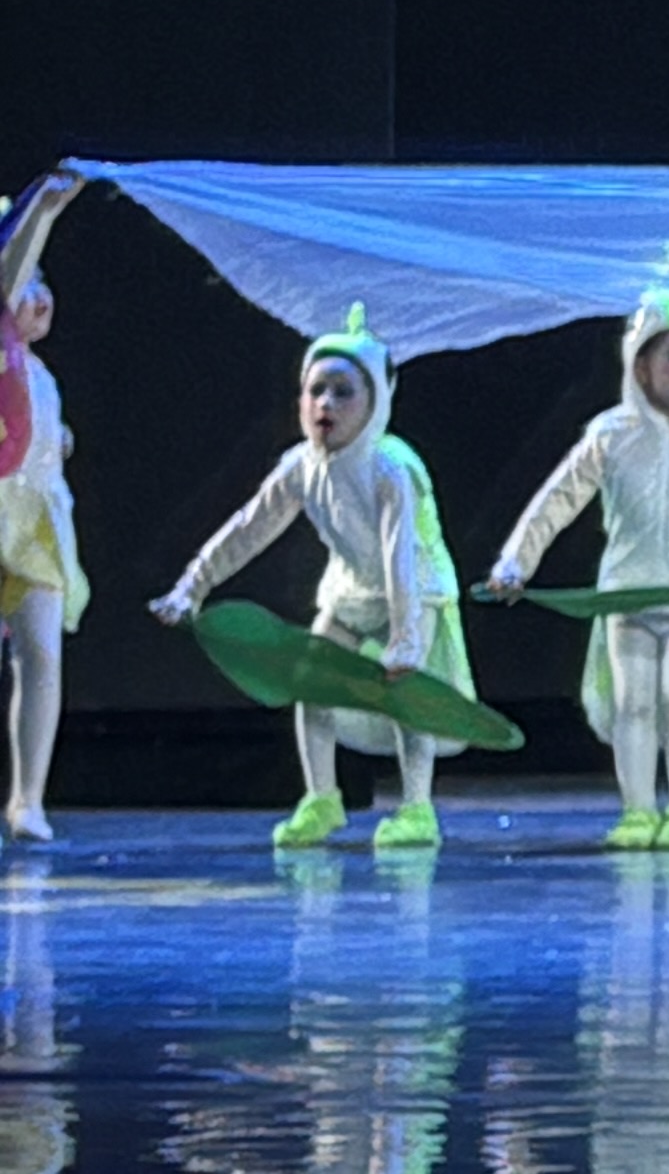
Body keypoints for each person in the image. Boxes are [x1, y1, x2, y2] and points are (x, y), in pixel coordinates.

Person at [154, 307, 468, 856]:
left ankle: (417, 807)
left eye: (343, 392)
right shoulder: (300, 467)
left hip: (414, 591)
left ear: (374, 402)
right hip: (350, 589)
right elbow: (247, 530)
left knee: (407, 697)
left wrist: (405, 636)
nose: (326, 404)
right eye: (316, 391)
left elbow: (399, 554)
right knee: (310, 683)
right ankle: (322, 798)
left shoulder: (391, 468)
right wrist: (192, 587)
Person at [486, 270, 669, 854]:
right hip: (627, 590)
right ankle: (638, 812)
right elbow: (557, 501)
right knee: (634, 701)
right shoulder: (610, 433)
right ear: (640, 365)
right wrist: (516, 563)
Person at [0, 171, 83, 845]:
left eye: (43, 280)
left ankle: (28, 798)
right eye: (28, 280)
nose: (37, 294)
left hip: (34, 525)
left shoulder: (39, 374)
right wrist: (43, 212)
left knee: (41, 656)